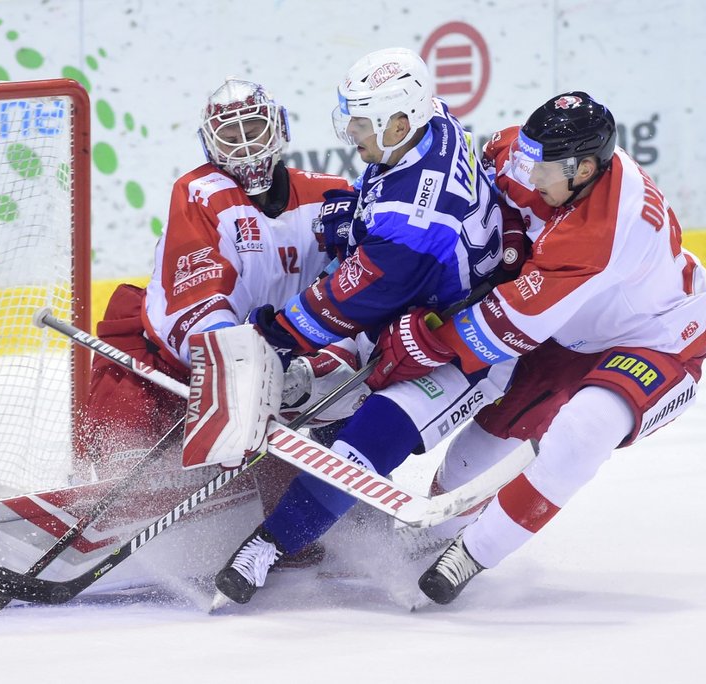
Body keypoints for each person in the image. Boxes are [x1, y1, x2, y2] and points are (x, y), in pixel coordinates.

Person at [364, 91, 706, 605]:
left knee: (584, 430)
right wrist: (505, 231)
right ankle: (435, 539)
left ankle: (475, 553)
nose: (529, 175)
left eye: (543, 168)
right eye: (527, 158)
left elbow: (507, 324)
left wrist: (428, 341)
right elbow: (482, 187)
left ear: (584, 170)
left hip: (660, 340)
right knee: (473, 460)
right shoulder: (527, 154)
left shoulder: (602, 232)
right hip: (571, 331)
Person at [210, 47, 519, 605]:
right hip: (425, 305)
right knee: (329, 397)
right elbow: (387, 221)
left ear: (400, 121)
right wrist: (356, 218)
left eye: (360, 119)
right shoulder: (430, 121)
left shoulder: (414, 224)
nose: (350, 131)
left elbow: (343, 301)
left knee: (364, 444)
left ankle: (269, 545)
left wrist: (275, 335)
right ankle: (329, 490)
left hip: (469, 349)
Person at [82, 78, 355, 547]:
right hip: (164, 361)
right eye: (231, 135)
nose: (246, 145)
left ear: (280, 129)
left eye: (254, 128)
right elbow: (199, 296)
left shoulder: (333, 196)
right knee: (117, 455)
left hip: (272, 372)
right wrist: (243, 370)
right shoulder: (200, 193)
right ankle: (100, 516)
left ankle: (343, 509)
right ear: (210, 145)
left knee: (350, 395)